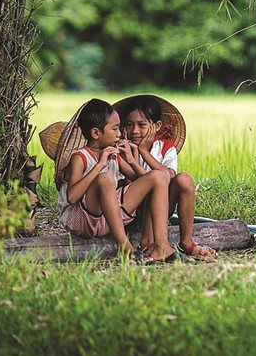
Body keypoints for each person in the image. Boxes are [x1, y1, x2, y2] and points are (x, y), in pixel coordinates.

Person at [55, 98, 178, 263]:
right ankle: (125, 247)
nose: (120, 134)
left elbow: (146, 183)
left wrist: (132, 160)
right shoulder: (80, 157)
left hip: (110, 218)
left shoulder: (114, 154)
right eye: (115, 129)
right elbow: (71, 197)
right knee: (104, 179)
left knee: (159, 176)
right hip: (83, 220)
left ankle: (161, 246)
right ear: (96, 133)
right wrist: (100, 165)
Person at [115, 94, 218, 262]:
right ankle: (148, 242)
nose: (134, 131)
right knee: (154, 186)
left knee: (184, 179)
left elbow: (168, 176)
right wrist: (133, 159)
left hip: (160, 210)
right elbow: (133, 184)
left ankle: (186, 241)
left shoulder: (165, 147)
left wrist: (144, 152)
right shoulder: (121, 148)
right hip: (130, 211)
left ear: (156, 126)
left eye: (141, 125)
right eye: (129, 125)